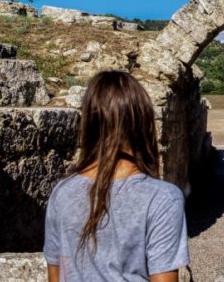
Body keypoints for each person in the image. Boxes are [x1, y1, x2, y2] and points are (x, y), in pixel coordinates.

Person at [44, 70, 189, 281]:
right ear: (143, 121)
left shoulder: (62, 192)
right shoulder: (162, 198)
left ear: (90, 123)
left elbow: (56, 275)